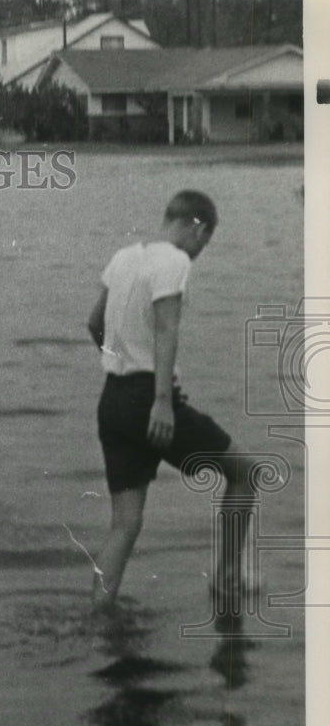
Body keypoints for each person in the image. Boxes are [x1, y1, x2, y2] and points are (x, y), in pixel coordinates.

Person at [86, 190, 256, 614]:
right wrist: (160, 400)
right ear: (196, 227)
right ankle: (227, 577)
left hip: (113, 400)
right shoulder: (175, 261)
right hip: (150, 399)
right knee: (245, 473)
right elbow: (167, 328)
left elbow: (94, 323)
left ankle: (99, 615)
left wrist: (122, 359)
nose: (200, 253)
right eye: (205, 242)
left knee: (124, 524)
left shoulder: (124, 257)